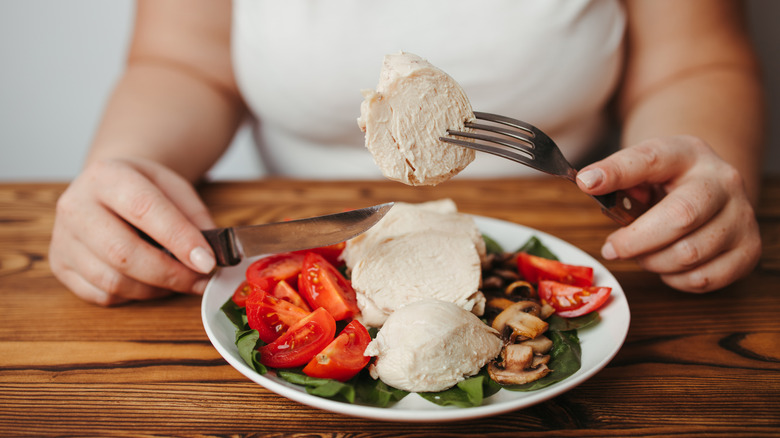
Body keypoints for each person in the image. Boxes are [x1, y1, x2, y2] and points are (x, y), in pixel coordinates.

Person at [49, 0, 765, 306]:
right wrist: (126, 170)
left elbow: (693, 61)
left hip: (576, 232)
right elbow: (183, 62)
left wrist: (696, 188)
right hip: (305, 239)